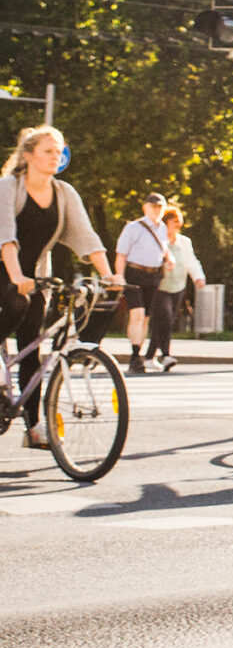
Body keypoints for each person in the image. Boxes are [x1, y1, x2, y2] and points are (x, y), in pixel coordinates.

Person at [0, 126, 116, 437]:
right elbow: (5, 237)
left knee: (31, 350)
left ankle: (34, 426)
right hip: (6, 272)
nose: (56, 156)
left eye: (59, 151)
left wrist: (108, 275)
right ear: (28, 156)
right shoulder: (9, 187)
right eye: (48, 151)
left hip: (35, 278)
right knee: (16, 302)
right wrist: (16, 277)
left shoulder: (64, 194)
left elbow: (86, 238)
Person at [144, 203, 206, 372]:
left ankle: (149, 357)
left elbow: (191, 261)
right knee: (164, 317)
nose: (178, 224)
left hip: (178, 285)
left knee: (166, 321)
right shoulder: (158, 240)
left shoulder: (184, 242)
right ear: (165, 223)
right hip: (160, 286)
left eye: (179, 221)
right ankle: (166, 355)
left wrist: (198, 277)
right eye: (174, 221)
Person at [114, 192, 171, 375]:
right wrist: (119, 276)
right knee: (137, 314)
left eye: (160, 207)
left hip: (153, 275)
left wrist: (169, 259)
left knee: (145, 317)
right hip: (135, 273)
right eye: (154, 206)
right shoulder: (133, 227)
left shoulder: (162, 228)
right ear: (145, 207)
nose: (157, 210)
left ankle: (138, 353)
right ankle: (134, 355)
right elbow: (121, 254)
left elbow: (163, 249)